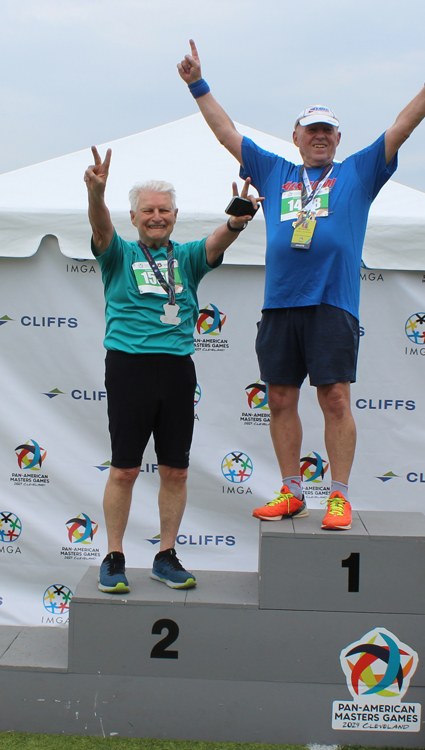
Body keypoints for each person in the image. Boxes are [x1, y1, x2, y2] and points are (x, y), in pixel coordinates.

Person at [178, 37, 425, 531]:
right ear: (297, 136)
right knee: (281, 399)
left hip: (332, 303)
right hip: (281, 304)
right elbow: (227, 133)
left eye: (327, 130)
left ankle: (339, 496)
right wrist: (197, 83)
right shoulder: (275, 172)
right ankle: (291, 490)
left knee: (334, 400)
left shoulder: (356, 174)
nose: (320, 137)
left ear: (338, 138)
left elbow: (401, 129)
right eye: (312, 130)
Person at [85, 146, 260, 593]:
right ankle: (114, 556)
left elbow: (218, 241)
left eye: (163, 210)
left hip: (177, 371)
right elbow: (100, 229)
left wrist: (238, 220)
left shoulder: (186, 258)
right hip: (129, 368)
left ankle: (165, 555)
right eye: (148, 210)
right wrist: (97, 194)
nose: (156, 216)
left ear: (175, 215)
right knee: (124, 469)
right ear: (134, 216)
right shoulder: (118, 253)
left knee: (175, 470)